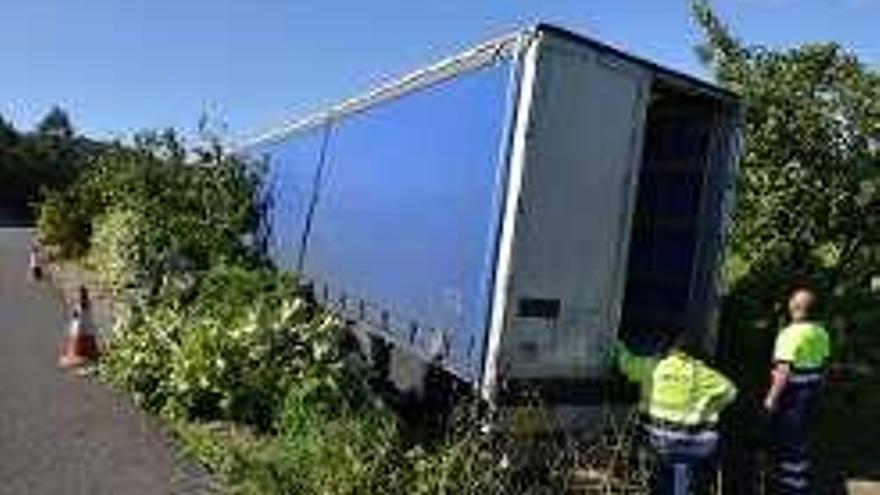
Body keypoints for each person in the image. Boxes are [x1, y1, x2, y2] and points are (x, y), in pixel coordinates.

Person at [616, 331, 737, 495]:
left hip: (660, 444)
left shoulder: (653, 367)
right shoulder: (703, 373)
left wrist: (617, 344)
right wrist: (708, 408)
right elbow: (731, 392)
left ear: (670, 351)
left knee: (663, 475)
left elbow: (626, 365)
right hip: (697, 446)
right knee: (688, 476)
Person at [763, 288, 830, 494]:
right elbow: (825, 365)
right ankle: (796, 476)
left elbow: (784, 371)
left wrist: (771, 398)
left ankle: (792, 485)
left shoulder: (789, 334)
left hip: (793, 394)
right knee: (802, 436)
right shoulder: (821, 332)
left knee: (790, 437)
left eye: (792, 301)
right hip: (813, 390)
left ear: (795, 307)